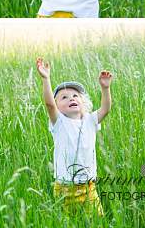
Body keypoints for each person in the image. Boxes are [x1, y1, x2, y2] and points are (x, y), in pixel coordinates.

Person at [36, 57, 113, 215]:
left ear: (82, 102)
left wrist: (105, 88)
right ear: (58, 107)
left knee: (97, 220)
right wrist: (46, 78)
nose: (71, 98)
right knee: (69, 222)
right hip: (65, 189)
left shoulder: (90, 120)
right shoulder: (59, 123)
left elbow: (105, 109)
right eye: (64, 97)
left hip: (89, 187)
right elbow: (49, 104)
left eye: (75, 96)